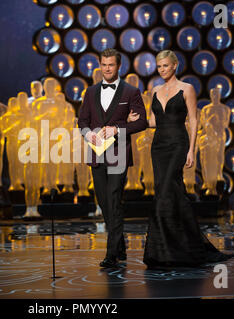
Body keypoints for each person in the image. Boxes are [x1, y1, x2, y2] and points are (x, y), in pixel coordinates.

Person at [141, 50, 234, 268]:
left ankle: (168, 249)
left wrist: (191, 150)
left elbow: (194, 120)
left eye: (166, 65)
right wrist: (135, 120)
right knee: (169, 192)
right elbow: (153, 121)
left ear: (175, 65)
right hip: (159, 146)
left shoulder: (187, 89)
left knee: (166, 190)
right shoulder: (155, 90)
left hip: (178, 144)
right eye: (159, 66)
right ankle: (174, 248)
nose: (162, 70)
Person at [78, 48, 148, 268]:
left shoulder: (131, 92)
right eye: (104, 64)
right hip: (97, 153)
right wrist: (88, 134)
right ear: (100, 65)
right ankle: (120, 244)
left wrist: (118, 129)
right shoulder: (90, 92)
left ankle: (111, 254)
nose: (107, 68)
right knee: (103, 201)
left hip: (118, 153)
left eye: (111, 65)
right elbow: (82, 122)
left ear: (118, 67)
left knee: (114, 199)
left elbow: (142, 122)